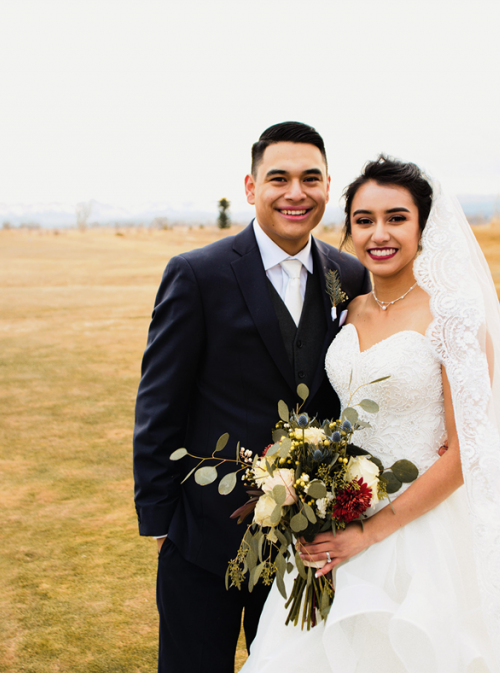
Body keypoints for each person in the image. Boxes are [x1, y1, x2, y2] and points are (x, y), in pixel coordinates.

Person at [241, 156, 500, 672]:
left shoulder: (453, 315)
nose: (378, 233)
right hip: (342, 516)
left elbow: (467, 453)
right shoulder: (349, 310)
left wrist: (369, 534)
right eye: (364, 220)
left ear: (422, 226)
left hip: (430, 529)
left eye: (396, 217)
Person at [133, 122, 371, 672]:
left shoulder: (348, 276)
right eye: (278, 178)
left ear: (328, 185)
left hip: (306, 543)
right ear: (250, 187)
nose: (296, 193)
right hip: (204, 535)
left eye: (310, 179)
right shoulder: (197, 274)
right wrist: (162, 518)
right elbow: (158, 403)